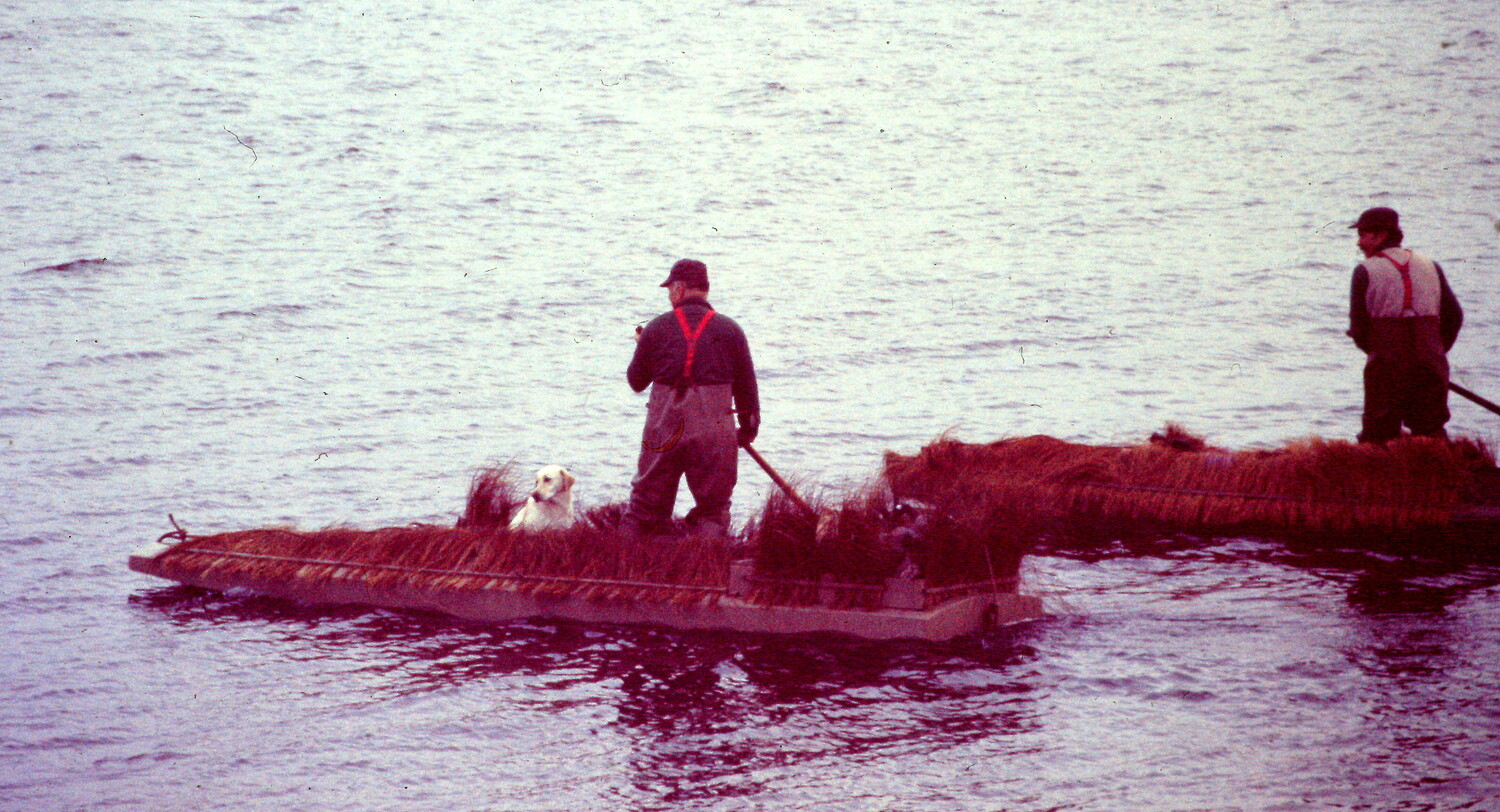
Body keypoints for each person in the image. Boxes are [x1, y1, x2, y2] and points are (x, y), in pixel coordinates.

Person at [622, 259, 759, 538]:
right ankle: (705, 571)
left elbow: (636, 382)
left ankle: (629, 568)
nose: (669, 295)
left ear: (680, 288)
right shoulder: (731, 330)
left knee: (644, 507)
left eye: (670, 288)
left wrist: (642, 346)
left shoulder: (656, 328)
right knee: (712, 510)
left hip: (664, 426)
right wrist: (746, 430)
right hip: (714, 428)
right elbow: (747, 389)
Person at [1346, 206, 1463, 443]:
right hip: (1430, 364)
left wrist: (1380, 353)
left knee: (1377, 438)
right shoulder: (1431, 265)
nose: (1359, 243)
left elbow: (1358, 330)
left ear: (1380, 235)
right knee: (1431, 434)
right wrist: (1436, 351)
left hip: (1387, 369)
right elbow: (1455, 316)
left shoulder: (1364, 271)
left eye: (1362, 235)